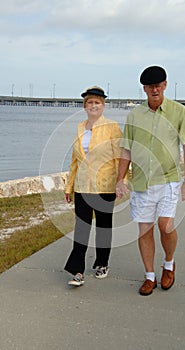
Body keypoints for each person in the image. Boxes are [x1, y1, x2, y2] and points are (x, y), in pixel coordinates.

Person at [116, 66, 185, 296]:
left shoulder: (179, 112)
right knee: (144, 230)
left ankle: (169, 264)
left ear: (165, 85)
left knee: (165, 226)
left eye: (158, 86)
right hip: (141, 182)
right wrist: (120, 179)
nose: (155, 90)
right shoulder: (134, 115)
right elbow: (126, 150)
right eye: (150, 87)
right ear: (144, 89)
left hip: (168, 179)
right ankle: (149, 275)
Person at [64, 86, 122, 286]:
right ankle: (77, 270)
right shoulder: (80, 127)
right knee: (82, 228)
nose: (93, 106)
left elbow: (119, 157)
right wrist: (68, 187)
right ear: (85, 106)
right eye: (90, 103)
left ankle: (102, 263)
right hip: (82, 186)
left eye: (97, 102)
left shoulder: (112, 126)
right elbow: (75, 161)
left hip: (105, 186)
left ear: (103, 105)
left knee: (104, 227)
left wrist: (121, 182)